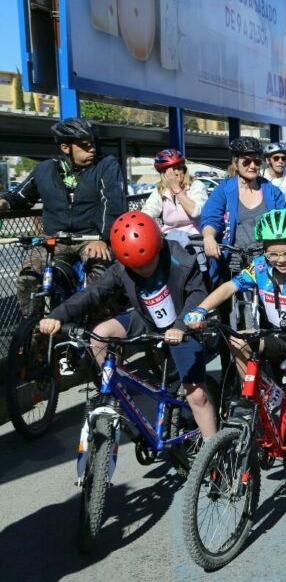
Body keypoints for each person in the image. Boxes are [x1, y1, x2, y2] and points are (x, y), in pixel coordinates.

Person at [183, 209, 286, 506]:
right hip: (276, 336)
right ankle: (261, 390)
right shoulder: (259, 266)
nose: (281, 260)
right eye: (273, 254)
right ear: (264, 252)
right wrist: (201, 309)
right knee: (237, 339)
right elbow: (228, 287)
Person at [38, 211, 217, 440]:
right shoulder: (123, 267)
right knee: (100, 334)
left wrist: (181, 327)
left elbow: (197, 296)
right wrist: (57, 315)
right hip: (145, 320)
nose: (142, 270)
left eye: (147, 263)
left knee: (197, 396)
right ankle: (120, 397)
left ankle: (215, 457)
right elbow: (93, 293)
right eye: (136, 267)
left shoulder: (181, 259)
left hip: (183, 326)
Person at [0, 118, 126, 315]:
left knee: (100, 279)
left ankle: (96, 331)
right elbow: (22, 196)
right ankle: (34, 333)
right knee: (28, 278)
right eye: (84, 145)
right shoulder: (45, 169)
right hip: (55, 240)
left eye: (92, 142)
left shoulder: (106, 164)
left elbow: (113, 203)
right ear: (65, 147)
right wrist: (5, 202)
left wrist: (102, 239)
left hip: (91, 238)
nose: (92, 148)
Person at [200, 137, 286, 283]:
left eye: (257, 161)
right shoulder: (223, 190)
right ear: (235, 163)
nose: (252, 166)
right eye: (246, 161)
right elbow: (211, 218)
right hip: (231, 265)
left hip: (266, 263)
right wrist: (208, 237)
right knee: (224, 302)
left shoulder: (273, 192)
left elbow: (284, 222)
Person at [141, 149, 208, 246]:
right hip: (170, 241)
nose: (176, 172)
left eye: (179, 167)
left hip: (195, 240)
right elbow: (147, 212)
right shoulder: (160, 191)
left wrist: (176, 189)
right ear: (163, 174)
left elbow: (195, 212)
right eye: (171, 170)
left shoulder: (196, 186)